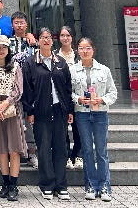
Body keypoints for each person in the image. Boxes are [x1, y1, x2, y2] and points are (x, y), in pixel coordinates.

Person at [22, 28, 73, 201]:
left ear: (52, 40)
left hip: (59, 110)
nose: (46, 40)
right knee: (43, 149)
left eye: (49, 37)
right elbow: (27, 89)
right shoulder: (31, 63)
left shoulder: (60, 62)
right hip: (40, 111)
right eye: (43, 37)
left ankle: (61, 185)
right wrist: (30, 111)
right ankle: (47, 185)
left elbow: (67, 88)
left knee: (61, 148)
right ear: (37, 41)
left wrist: (69, 110)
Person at [70, 37, 118, 202]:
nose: (84, 51)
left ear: (93, 50)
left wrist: (102, 100)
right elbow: (69, 92)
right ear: (77, 50)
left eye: (88, 48)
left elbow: (113, 92)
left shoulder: (104, 70)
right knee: (87, 150)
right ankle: (90, 185)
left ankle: (105, 187)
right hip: (82, 113)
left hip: (100, 113)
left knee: (101, 151)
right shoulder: (73, 70)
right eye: (81, 48)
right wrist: (78, 99)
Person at [0, 35, 26, 202]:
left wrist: (4, 104)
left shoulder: (15, 67)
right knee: (1, 149)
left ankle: (14, 185)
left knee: (14, 149)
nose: (1, 50)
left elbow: (18, 90)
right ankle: (5, 183)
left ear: (8, 49)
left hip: (12, 110)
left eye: (4, 47)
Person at [9, 11, 38, 169]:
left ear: (26, 25)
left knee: (30, 120)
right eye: (16, 22)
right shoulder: (7, 42)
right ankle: (15, 154)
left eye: (22, 22)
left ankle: (32, 153)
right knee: (13, 120)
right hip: (12, 87)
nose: (19, 25)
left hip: (30, 87)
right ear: (12, 25)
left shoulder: (33, 43)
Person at [56, 26, 82, 171]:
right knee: (62, 129)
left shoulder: (79, 55)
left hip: (78, 96)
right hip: (61, 96)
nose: (65, 38)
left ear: (72, 37)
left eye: (68, 35)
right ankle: (65, 156)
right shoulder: (55, 55)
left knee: (78, 127)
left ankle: (77, 155)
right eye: (62, 35)